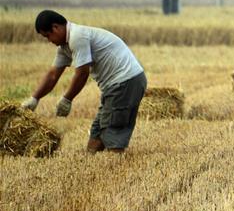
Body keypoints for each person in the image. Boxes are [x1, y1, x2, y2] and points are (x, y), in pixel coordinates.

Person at [21, 10, 147, 153]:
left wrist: (67, 99)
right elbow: (52, 75)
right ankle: (88, 162)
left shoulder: (77, 37)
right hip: (119, 84)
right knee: (98, 130)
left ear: (56, 27)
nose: (49, 40)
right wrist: (34, 98)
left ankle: (116, 164)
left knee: (112, 128)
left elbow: (82, 73)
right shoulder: (64, 46)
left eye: (48, 36)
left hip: (124, 81)